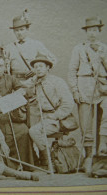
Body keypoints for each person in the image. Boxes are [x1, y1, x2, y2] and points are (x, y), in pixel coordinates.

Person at [68, 17, 107, 173]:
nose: (92, 33)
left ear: (99, 31)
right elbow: (71, 71)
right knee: (86, 124)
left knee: (104, 122)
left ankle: (102, 154)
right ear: (86, 32)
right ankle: (89, 156)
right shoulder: (79, 48)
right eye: (89, 30)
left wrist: (103, 57)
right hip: (84, 87)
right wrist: (75, 90)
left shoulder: (104, 48)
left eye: (95, 30)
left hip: (103, 89)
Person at [23, 53, 74, 170]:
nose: (38, 69)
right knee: (25, 130)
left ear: (48, 68)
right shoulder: (34, 81)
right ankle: (40, 159)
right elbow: (21, 86)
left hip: (56, 119)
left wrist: (55, 116)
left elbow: (68, 103)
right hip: (41, 117)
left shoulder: (57, 82)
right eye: (35, 67)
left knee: (34, 131)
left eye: (41, 66)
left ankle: (48, 161)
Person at [4, 10, 56, 81]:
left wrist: (37, 70)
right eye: (16, 30)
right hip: (15, 82)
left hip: (32, 80)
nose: (19, 33)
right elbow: (5, 67)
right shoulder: (9, 47)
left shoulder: (36, 44)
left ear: (27, 29)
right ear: (14, 32)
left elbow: (53, 59)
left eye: (22, 30)